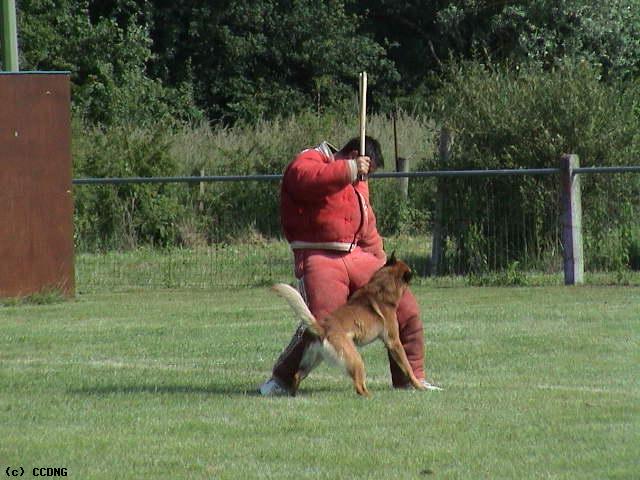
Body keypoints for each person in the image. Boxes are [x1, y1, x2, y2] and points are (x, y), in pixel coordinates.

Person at [259, 135, 434, 396]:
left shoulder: (359, 183)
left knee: (406, 310)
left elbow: (367, 225)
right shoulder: (311, 159)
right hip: (319, 253)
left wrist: (380, 258)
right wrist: (350, 170)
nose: (366, 177)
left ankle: (410, 379)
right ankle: (283, 380)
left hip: (358, 255)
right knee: (323, 321)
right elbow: (304, 180)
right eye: (366, 169)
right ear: (354, 155)